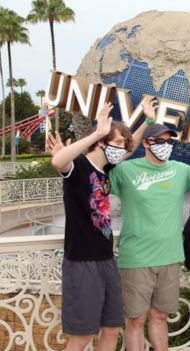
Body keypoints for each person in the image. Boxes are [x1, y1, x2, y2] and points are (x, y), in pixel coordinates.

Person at [47, 100, 152, 351]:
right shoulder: (80, 167)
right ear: (102, 142)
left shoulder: (105, 170)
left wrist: (147, 121)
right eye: (115, 143)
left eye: (121, 145)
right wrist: (97, 132)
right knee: (82, 336)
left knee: (113, 328)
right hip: (82, 262)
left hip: (106, 259)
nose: (121, 149)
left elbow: (131, 146)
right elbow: (58, 162)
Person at [108, 97, 190, 351]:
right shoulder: (126, 171)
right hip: (136, 258)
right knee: (135, 320)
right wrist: (147, 121)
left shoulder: (181, 170)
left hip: (170, 256)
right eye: (160, 141)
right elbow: (112, 158)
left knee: (160, 316)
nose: (166, 146)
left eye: (170, 141)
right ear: (146, 143)